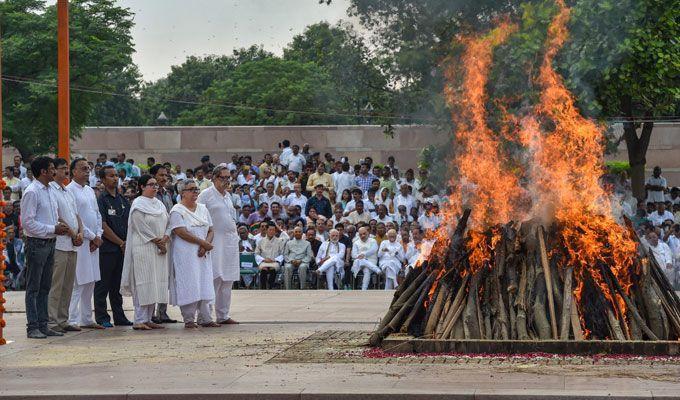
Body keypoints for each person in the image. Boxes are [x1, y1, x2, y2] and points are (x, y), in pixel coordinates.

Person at [22, 156, 72, 338]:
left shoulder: (50, 190)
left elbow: (54, 215)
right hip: (37, 244)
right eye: (52, 168)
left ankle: (43, 325)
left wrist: (61, 226)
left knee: (45, 287)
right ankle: (33, 326)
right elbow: (27, 223)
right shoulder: (32, 192)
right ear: (43, 171)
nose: (55, 171)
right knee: (33, 288)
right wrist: (53, 228)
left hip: (51, 242)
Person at [120, 175, 170, 330]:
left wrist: (165, 239)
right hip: (143, 247)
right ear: (142, 187)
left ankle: (149, 318)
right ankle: (139, 319)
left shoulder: (160, 204)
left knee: (155, 282)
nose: (155, 187)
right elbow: (140, 227)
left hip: (159, 250)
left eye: (156, 185)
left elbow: (168, 223)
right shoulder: (138, 203)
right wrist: (158, 241)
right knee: (143, 282)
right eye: (151, 185)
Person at [168, 180, 219, 328]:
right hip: (186, 254)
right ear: (182, 193)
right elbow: (180, 232)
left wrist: (206, 244)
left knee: (204, 282)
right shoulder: (177, 210)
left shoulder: (203, 208)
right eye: (191, 190)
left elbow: (210, 229)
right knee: (189, 283)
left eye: (196, 189)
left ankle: (206, 318)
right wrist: (202, 243)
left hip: (203, 253)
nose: (195, 192)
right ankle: (189, 319)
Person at [197, 166, 240, 324]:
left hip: (229, 242)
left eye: (229, 178)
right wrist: (202, 242)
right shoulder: (205, 195)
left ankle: (223, 315)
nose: (226, 181)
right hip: (213, 243)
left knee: (227, 280)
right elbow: (198, 218)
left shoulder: (228, 196)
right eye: (223, 178)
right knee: (213, 278)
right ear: (214, 178)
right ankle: (204, 317)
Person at [66, 159, 104, 330]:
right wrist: (90, 236)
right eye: (83, 169)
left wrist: (98, 235)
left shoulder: (89, 190)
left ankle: (87, 319)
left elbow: (97, 215)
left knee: (91, 281)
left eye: (88, 169)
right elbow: (74, 217)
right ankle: (72, 319)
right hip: (80, 241)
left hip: (93, 242)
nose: (87, 171)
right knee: (79, 281)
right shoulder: (69, 190)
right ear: (73, 171)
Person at [47, 158, 84, 333]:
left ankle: (63, 319)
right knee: (57, 284)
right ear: (54, 171)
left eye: (67, 168)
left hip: (73, 244)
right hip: (61, 243)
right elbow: (56, 217)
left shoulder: (67, 191)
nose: (66, 171)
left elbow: (76, 215)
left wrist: (80, 232)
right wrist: (71, 233)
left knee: (68, 285)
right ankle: (52, 321)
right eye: (63, 168)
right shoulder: (51, 191)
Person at [95, 165, 133, 327]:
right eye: (110, 176)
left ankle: (119, 316)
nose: (115, 178)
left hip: (122, 249)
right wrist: (120, 242)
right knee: (103, 284)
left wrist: (125, 244)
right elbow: (103, 225)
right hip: (108, 249)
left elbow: (130, 223)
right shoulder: (101, 200)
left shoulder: (122, 200)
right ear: (103, 180)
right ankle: (102, 317)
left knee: (117, 285)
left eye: (116, 175)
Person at [149, 164, 176, 323]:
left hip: (167, 239)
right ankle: (150, 313)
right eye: (161, 175)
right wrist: (158, 239)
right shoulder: (148, 195)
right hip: (153, 240)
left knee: (165, 277)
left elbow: (170, 219)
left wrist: (166, 237)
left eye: (166, 175)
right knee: (153, 276)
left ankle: (163, 312)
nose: (164, 178)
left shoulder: (167, 194)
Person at [254, 221, 285, 289]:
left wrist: (275, 259)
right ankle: (263, 288)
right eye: (270, 230)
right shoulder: (260, 241)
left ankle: (271, 287)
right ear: (267, 230)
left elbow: (282, 254)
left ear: (275, 231)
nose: (271, 232)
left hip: (274, 261)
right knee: (263, 269)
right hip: (264, 261)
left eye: (273, 230)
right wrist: (263, 259)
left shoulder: (280, 241)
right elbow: (256, 254)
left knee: (272, 269)